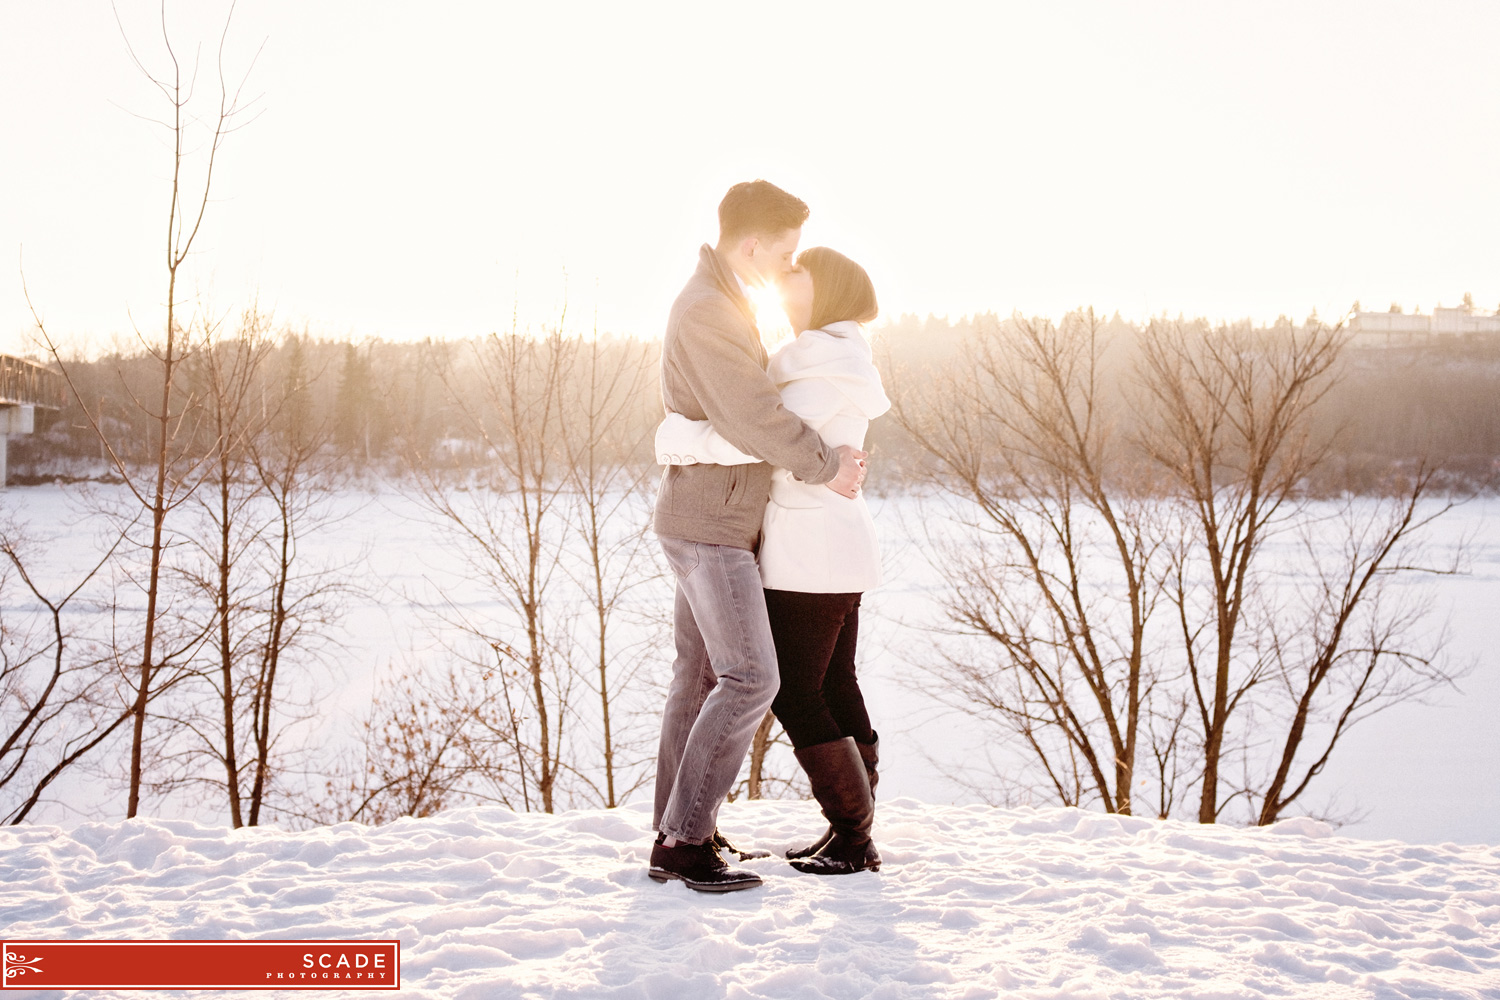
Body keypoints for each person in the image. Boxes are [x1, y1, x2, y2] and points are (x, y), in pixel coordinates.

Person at [648, 181, 867, 893]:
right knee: (753, 676)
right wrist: (825, 463)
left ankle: (680, 826)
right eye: (785, 251)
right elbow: (756, 416)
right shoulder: (711, 311)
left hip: (712, 517)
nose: (788, 264)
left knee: (703, 676)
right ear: (751, 245)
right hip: (711, 525)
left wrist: (682, 439)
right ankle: (683, 841)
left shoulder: (723, 299)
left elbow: (743, 412)